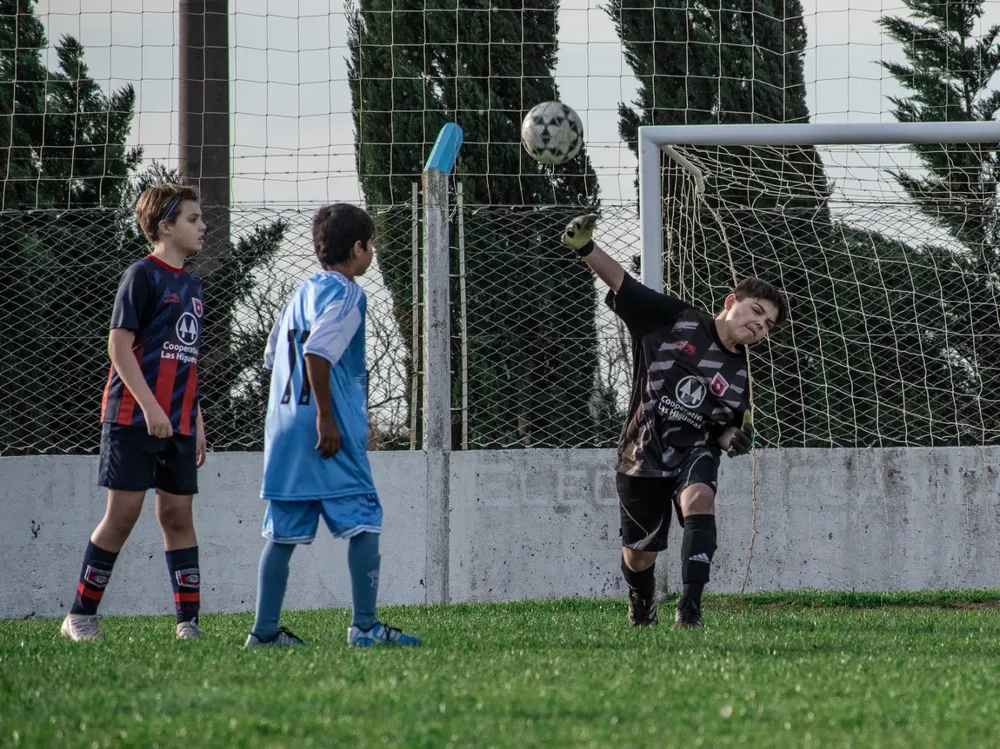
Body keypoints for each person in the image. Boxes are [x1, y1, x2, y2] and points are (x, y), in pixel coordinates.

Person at [561, 213, 788, 629]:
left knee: (700, 499)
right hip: (643, 451)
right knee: (639, 555)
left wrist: (734, 439)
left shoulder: (744, 375)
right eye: (756, 311)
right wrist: (586, 247)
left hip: (693, 450)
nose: (760, 325)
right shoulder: (676, 319)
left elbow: (725, 431)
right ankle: (642, 598)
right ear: (730, 302)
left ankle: (690, 608)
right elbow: (624, 284)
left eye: (768, 325)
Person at [245, 203, 420, 648]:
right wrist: (326, 415)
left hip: (284, 428)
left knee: (282, 532)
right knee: (364, 518)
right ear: (357, 248)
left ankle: (264, 633)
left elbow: (272, 356)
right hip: (326, 429)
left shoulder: (300, 293)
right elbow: (317, 352)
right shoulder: (347, 295)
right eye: (371, 244)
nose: (372, 252)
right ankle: (365, 627)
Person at [62, 184, 208, 642]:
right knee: (123, 514)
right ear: (165, 226)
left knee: (178, 516)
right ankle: (80, 616)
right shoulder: (141, 275)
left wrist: (196, 419)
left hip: (178, 422)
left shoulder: (194, 286)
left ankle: (188, 623)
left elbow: (186, 356)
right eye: (192, 219)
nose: (203, 226)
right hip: (131, 417)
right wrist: (150, 407)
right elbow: (119, 348)